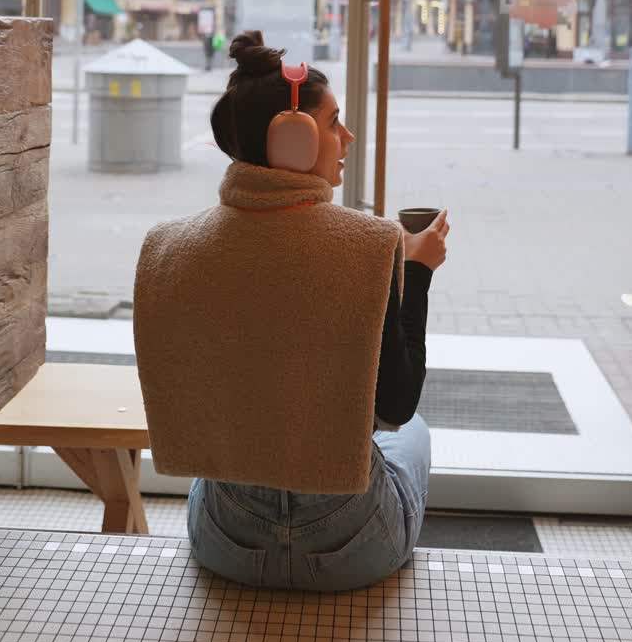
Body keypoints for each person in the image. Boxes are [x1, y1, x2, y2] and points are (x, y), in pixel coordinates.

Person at [134, 29, 449, 593]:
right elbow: (395, 408)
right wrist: (415, 272)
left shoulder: (167, 245)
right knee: (415, 433)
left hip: (224, 541)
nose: (347, 136)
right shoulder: (372, 244)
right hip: (352, 547)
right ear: (293, 140)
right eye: (333, 123)